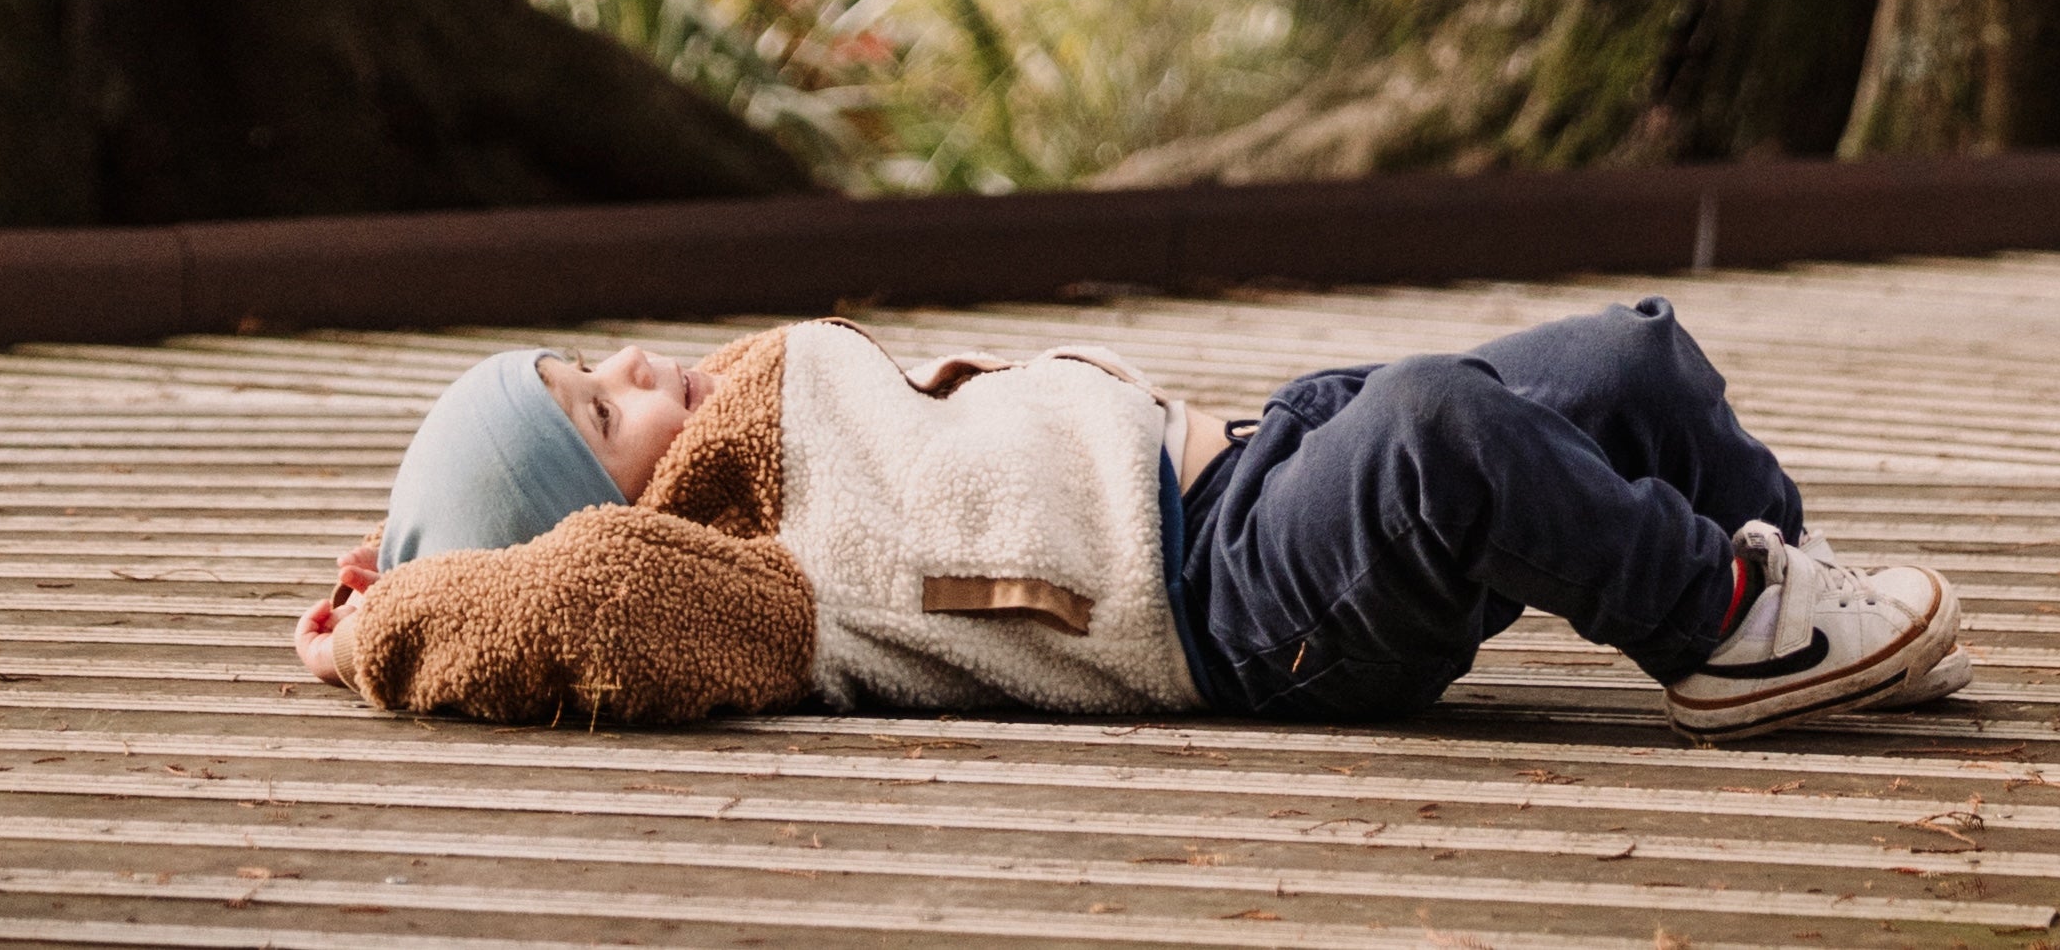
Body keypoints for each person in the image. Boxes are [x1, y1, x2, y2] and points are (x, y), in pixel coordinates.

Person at [294, 295, 1967, 741]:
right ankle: (1720, 631)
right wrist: (384, 623)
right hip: (1232, 611)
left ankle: (1807, 607)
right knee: (1443, 433)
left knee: (1631, 357)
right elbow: (562, 610)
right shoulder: (739, 584)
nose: (639, 368)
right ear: (604, 513)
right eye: (598, 410)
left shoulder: (772, 422)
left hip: (1253, 468)